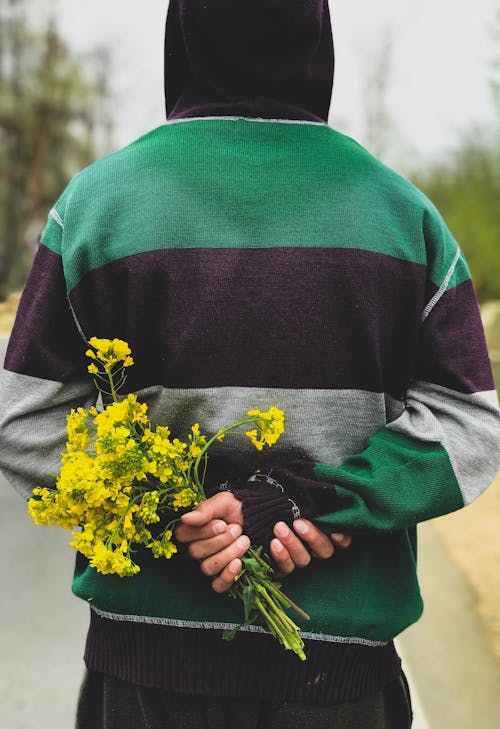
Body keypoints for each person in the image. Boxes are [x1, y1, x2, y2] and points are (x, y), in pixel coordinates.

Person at [1, 1, 499, 727]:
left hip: (146, 671)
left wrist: (175, 506)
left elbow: (23, 421)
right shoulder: (402, 215)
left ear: (184, 33)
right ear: (315, 36)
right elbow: (472, 422)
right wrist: (307, 500)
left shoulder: (98, 207)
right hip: (339, 675)